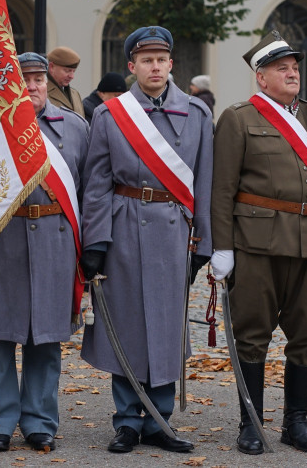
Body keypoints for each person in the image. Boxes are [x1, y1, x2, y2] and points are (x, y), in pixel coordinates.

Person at [210, 32, 307, 455]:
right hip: (258, 243)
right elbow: (222, 189)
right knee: (253, 335)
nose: (292, 73)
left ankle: (296, 422)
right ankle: (250, 422)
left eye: (295, 67)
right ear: (261, 77)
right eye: (282, 68)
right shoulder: (239, 118)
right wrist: (223, 247)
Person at [80, 26, 213, 454]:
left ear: (171, 64)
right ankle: (127, 421)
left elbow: (205, 184)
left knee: (166, 325)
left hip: (174, 230)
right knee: (128, 324)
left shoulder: (196, 114)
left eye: (161, 60)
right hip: (123, 228)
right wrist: (95, 242)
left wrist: (204, 244)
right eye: (146, 61)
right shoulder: (109, 116)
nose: (154, 67)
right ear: (132, 67)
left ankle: (160, 419)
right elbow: (96, 184)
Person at [0, 52, 90, 452]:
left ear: (47, 82)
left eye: (36, 79)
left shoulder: (75, 128)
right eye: (21, 79)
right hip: (1, 238)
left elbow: (87, 192)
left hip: (54, 239)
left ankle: (40, 422)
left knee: (45, 339)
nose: (30, 86)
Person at [46, 46, 85, 119]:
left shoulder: (75, 94)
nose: (72, 76)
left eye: (74, 71)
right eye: (67, 71)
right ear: (51, 67)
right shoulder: (42, 93)